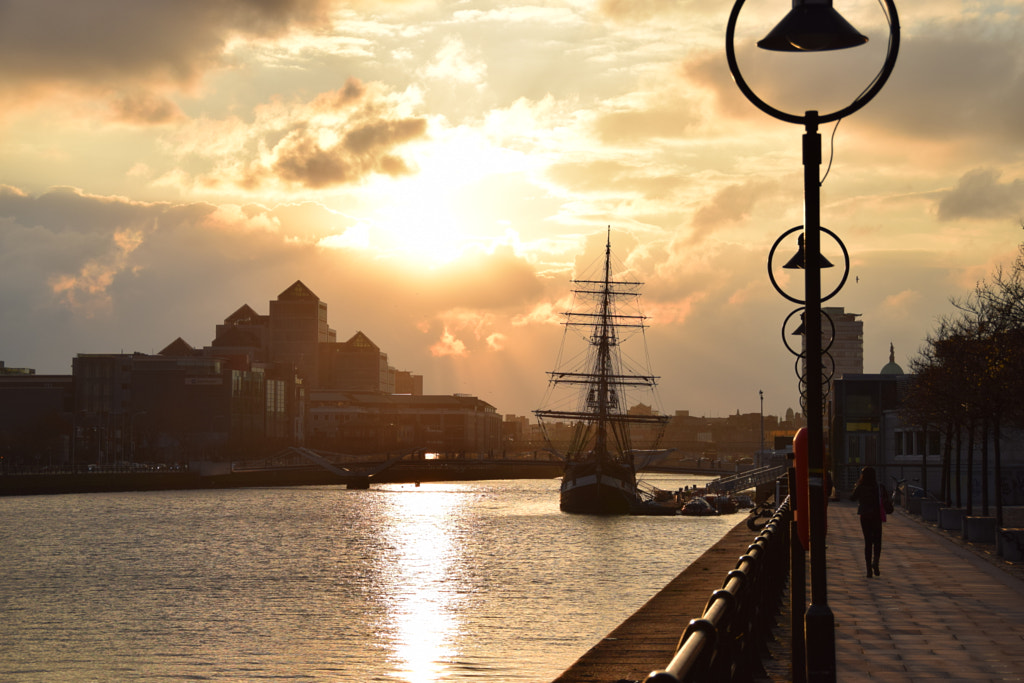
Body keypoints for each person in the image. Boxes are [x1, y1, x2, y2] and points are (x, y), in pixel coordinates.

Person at [849, 466, 889, 577]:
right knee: (877, 541)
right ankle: (876, 562)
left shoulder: (861, 487)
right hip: (876, 516)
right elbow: (886, 498)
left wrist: (855, 487)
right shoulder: (879, 486)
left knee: (868, 542)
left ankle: (868, 570)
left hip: (865, 516)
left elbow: (852, 498)